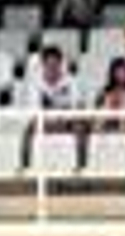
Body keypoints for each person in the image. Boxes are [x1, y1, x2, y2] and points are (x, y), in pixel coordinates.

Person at [20, 43, 85, 171]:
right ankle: (25, 166)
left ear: (61, 64)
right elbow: (35, 110)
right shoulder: (35, 84)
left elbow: (76, 106)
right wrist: (49, 121)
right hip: (45, 121)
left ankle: (81, 166)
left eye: (55, 65)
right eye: (49, 65)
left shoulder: (72, 81)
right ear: (43, 65)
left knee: (80, 128)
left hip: (67, 121)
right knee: (28, 130)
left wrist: (62, 119)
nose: (52, 69)